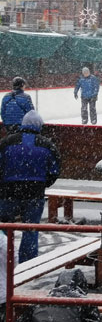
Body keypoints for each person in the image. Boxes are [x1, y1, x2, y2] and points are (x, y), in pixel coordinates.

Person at [0, 111, 60, 262]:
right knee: (31, 229)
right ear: (39, 126)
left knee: (4, 228)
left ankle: (3, 260)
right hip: (34, 193)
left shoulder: (6, 142)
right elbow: (54, 170)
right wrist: (42, 184)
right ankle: (27, 265)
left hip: (8, 192)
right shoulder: (48, 145)